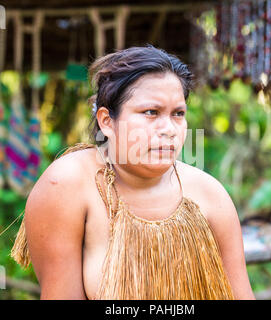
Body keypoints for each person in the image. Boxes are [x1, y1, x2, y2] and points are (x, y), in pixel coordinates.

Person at [11, 45, 255, 300]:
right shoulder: (67, 184)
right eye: (151, 112)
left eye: (178, 114)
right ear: (107, 121)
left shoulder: (209, 194)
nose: (169, 128)